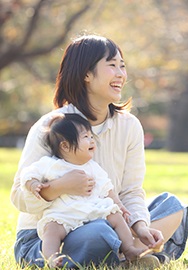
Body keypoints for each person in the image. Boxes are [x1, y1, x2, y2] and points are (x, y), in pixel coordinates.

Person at [11, 34, 188, 268]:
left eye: (123, 67)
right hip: (50, 235)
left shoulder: (129, 126)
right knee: (97, 233)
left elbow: (131, 191)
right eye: (112, 66)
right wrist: (58, 187)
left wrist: (140, 226)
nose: (121, 74)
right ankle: (125, 256)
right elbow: (18, 196)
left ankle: (126, 252)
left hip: (109, 218)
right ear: (86, 74)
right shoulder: (53, 127)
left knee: (171, 206)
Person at [20, 113, 145, 267]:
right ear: (65, 146)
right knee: (51, 230)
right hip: (64, 213)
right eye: (86, 136)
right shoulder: (50, 164)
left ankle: (129, 249)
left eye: (91, 136)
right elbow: (28, 174)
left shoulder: (93, 167)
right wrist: (33, 184)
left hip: (92, 211)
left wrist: (119, 205)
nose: (92, 140)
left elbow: (107, 189)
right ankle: (52, 258)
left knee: (116, 216)